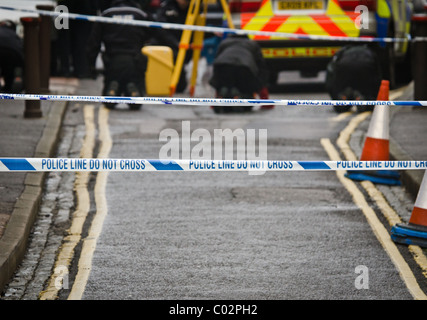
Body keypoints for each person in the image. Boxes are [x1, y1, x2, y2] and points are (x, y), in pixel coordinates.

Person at [86, 0, 165, 110]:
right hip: (134, 62)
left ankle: (113, 87)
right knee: (136, 105)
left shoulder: (106, 15)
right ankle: (132, 87)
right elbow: (159, 33)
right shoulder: (141, 14)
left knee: (108, 103)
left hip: (112, 62)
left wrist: (91, 67)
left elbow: (93, 44)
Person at [208, 34, 270, 112]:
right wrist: (265, 100)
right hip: (244, 68)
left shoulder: (224, 43)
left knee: (223, 83)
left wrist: (217, 91)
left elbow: (217, 63)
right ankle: (239, 98)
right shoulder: (253, 44)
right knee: (247, 91)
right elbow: (262, 69)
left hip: (223, 67)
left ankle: (221, 97)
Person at [155, 0, 191, 92]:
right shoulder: (167, 7)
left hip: (184, 46)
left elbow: (198, 28)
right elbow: (160, 30)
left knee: (180, 87)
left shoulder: (193, 8)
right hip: (166, 44)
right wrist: (175, 43)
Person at [0, 20, 24, 93]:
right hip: (12, 53)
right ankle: (8, 88)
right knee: (9, 69)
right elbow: (20, 47)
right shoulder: (14, 34)